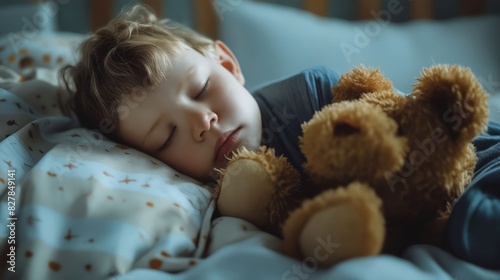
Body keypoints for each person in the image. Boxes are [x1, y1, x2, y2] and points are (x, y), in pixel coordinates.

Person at [61, 4, 339, 183]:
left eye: (200, 90)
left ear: (228, 65)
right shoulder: (212, 203)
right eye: (167, 137)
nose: (203, 122)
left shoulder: (318, 97)